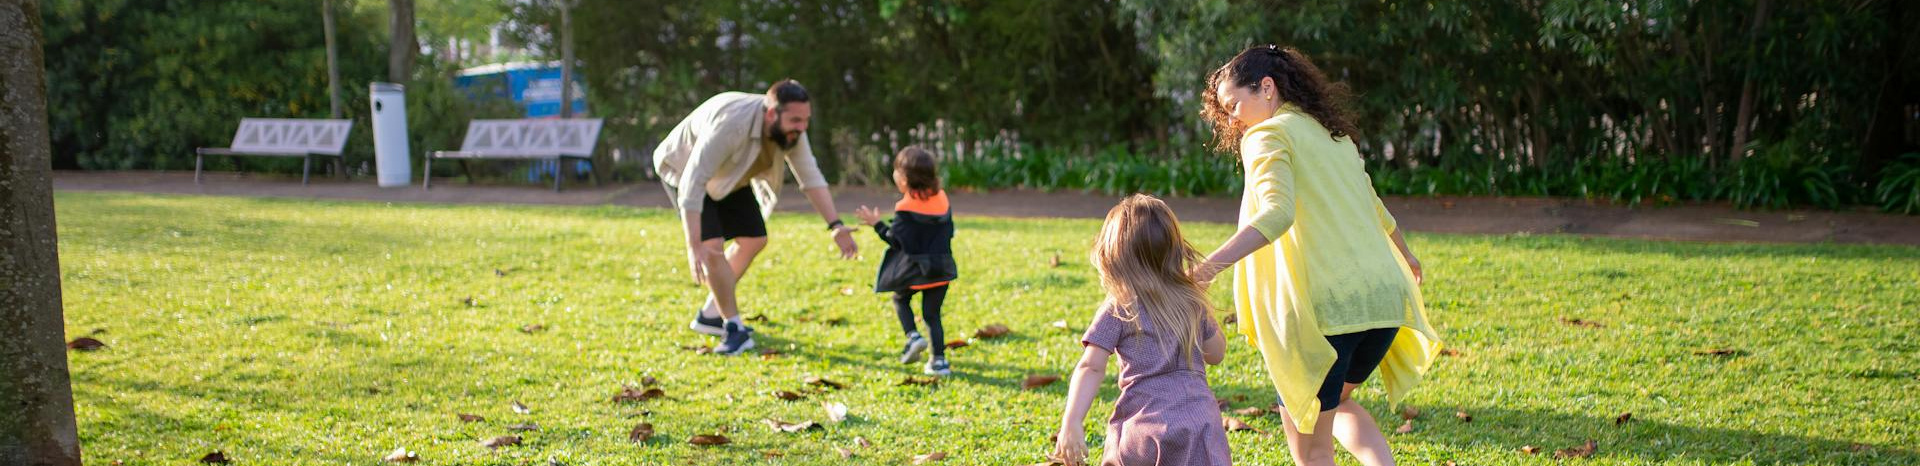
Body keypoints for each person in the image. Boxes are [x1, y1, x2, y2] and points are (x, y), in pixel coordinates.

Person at [1187, 44, 1444, 466]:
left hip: (1326, 313)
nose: (1233, 118)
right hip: (1381, 302)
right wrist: (1407, 255)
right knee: (1335, 404)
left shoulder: (1267, 134)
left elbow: (1277, 213)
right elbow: (1373, 202)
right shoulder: (1332, 135)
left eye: (1235, 104)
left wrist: (1207, 269)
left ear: (1266, 88)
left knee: (1313, 450)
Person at [652, 79, 858, 356]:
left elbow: (810, 177)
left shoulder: (792, 131)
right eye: (796, 120)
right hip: (685, 170)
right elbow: (693, 182)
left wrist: (836, 225)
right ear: (771, 113)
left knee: (754, 239)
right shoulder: (732, 124)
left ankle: (711, 314)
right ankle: (734, 328)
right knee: (712, 249)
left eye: (806, 120)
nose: (802, 127)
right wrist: (694, 245)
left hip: (731, 176)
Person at [1052, 194, 1231, 466]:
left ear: (1113, 258)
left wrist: (1072, 421)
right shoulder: (1191, 300)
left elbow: (1091, 366)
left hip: (1143, 425)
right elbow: (1216, 354)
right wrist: (1202, 307)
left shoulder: (1120, 306)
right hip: (1200, 422)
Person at [854, 146, 958, 375]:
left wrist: (877, 224)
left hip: (916, 271)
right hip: (942, 269)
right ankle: (939, 362)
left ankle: (913, 337)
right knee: (932, 315)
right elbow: (949, 231)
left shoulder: (905, 208)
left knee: (900, 299)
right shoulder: (941, 199)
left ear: (904, 179)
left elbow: (897, 241)